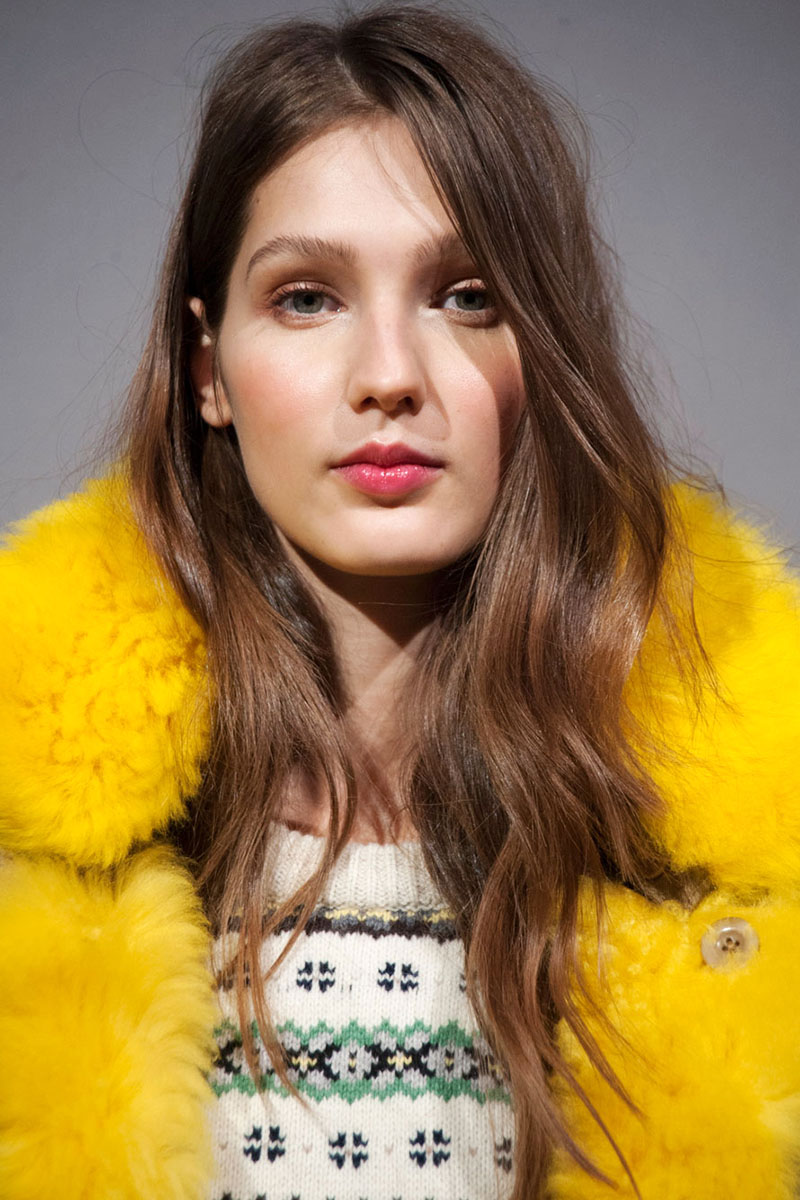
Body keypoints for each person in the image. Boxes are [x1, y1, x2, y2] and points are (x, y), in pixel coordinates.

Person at [0, 4, 798, 1199]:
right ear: (208, 369)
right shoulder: (31, 865)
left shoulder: (733, 878)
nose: (388, 376)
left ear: (544, 353)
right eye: (306, 297)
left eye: (466, 296)